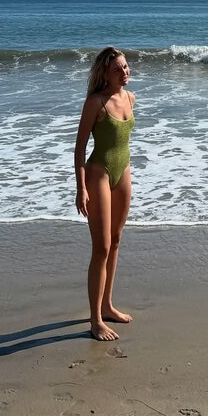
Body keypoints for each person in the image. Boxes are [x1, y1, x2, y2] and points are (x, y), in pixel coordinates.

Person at [74, 46, 136, 341]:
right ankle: (95, 320)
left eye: (125, 67)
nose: (124, 72)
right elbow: (79, 148)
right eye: (117, 69)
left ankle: (108, 306)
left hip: (123, 171)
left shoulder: (130, 98)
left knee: (116, 240)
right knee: (101, 247)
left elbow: (122, 142)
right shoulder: (95, 103)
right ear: (105, 74)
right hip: (98, 173)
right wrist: (81, 188)